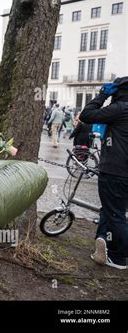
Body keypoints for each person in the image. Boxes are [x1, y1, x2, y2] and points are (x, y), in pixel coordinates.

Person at [79, 77, 128, 270]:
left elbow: (87, 114)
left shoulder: (121, 108)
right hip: (122, 171)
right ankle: (103, 242)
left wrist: (102, 95)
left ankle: (119, 257)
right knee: (111, 210)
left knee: (115, 215)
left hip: (115, 171)